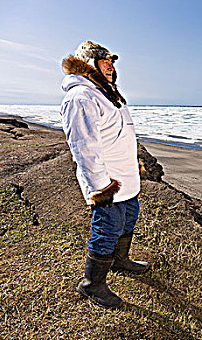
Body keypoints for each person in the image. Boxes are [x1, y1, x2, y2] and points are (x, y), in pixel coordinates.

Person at [60, 40, 150, 309]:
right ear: (89, 65)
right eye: (103, 62)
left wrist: (135, 165)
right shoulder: (81, 97)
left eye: (112, 63)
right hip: (108, 181)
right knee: (107, 228)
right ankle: (92, 285)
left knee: (128, 220)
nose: (110, 67)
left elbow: (120, 135)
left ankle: (120, 260)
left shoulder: (109, 94)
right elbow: (84, 147)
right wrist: (101, 187)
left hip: (127, 177)